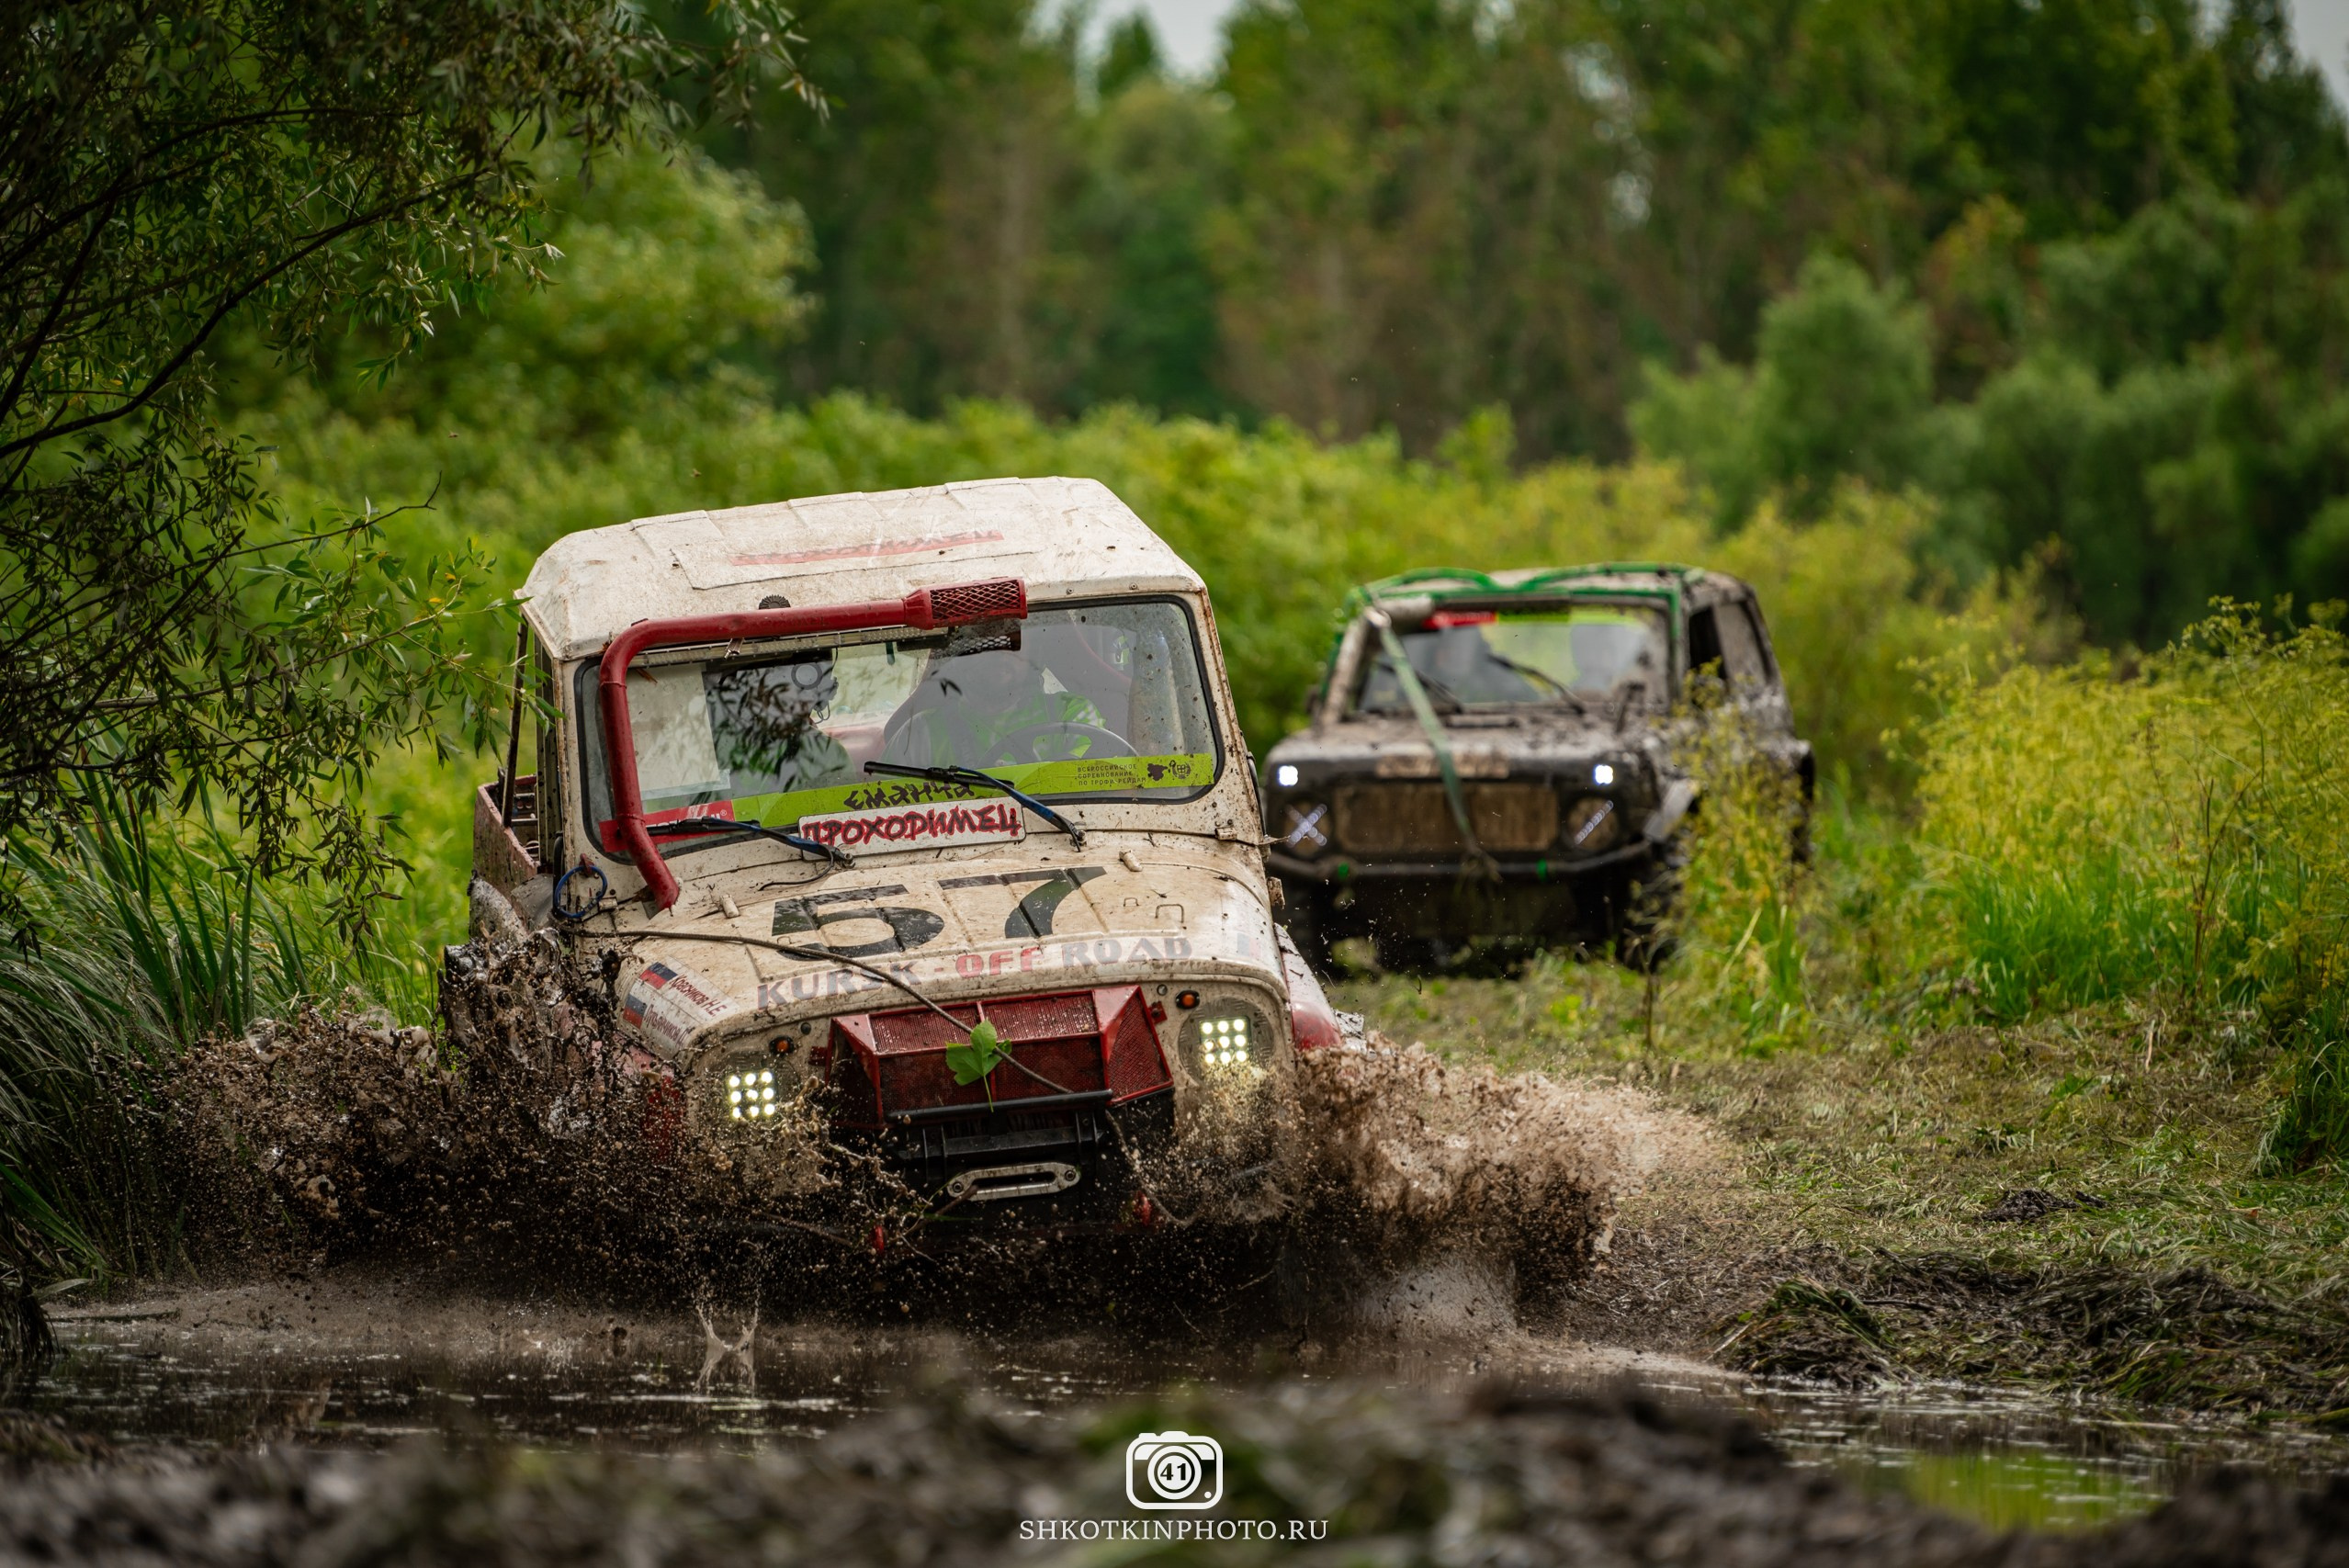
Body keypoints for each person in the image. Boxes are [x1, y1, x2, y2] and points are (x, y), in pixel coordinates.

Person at [880, 646, 1106, 767]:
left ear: (1033, 655)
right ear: (958, 657)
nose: (998, 653)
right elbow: (890, 814)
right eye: (984, 642)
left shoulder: (1072, 715)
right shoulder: (919, 734)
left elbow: (1099, 790)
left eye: (1012, 641)